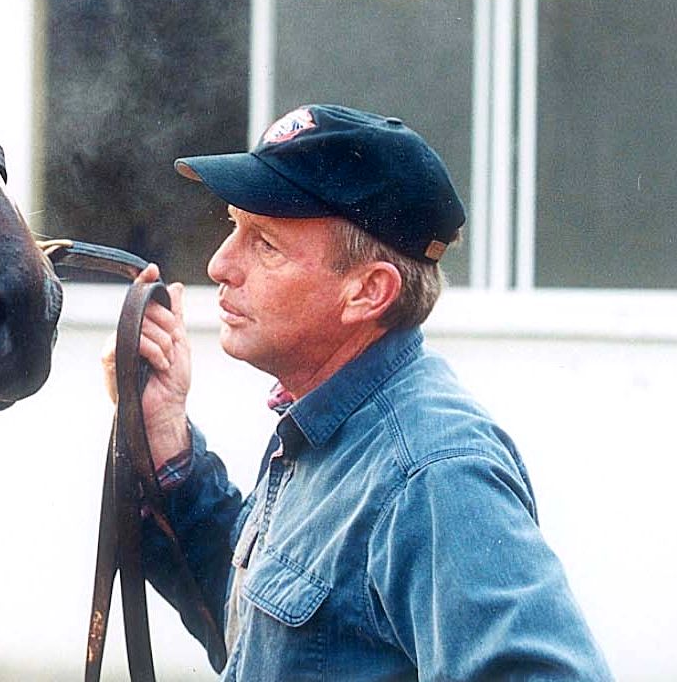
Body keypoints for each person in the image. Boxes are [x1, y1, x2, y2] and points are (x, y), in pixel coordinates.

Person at [104, 104, 611, 680]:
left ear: (368, 292)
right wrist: (165, 436)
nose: (220, 264)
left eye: (265, 243)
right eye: (232, 227)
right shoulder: (331, 425)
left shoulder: (435, 475)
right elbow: (270, 641)